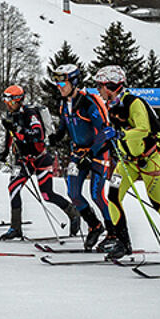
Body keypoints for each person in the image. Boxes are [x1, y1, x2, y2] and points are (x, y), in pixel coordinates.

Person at [94, 65, 160, 262]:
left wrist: (121, 134)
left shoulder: (133, 102)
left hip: (148, 159)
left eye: (100, 86)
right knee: (113, 196)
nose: (99, 90)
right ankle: (122, 242)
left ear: (111, 86)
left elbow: (143, 129)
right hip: (127, 162)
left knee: (157, 201)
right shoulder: (112, 105)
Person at [0, 84, 78, 240]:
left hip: (40, 158)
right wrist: (5, 151)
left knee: (47, 194)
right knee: (13, 188)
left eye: (10, 101)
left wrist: (19, 130)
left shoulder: (30, 114)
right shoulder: (10, 115)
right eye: (5, 101)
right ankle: (15, 228)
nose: (7, 104)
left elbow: (38, 134)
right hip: (23, 160)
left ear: (18, 100)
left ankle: (73, 213)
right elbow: (10, 134)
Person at [50, 64, 116, 251]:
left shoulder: (89, 102)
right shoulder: (64, 103)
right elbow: (64, 126)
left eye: (63, 82)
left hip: (98, 152)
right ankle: (95, 225)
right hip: (78, 153)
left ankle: (113, 233)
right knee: (73, 194)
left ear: (74, 82)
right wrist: (56, 136)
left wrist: (93, 152)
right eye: (56, 82)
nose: (59, 86)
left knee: (97, 194)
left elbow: (105, 132)